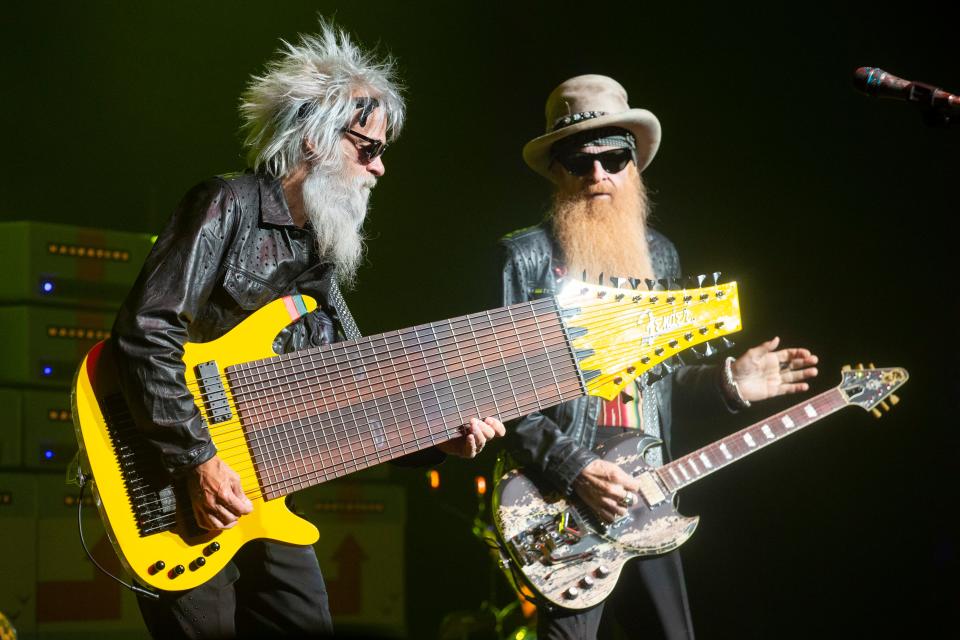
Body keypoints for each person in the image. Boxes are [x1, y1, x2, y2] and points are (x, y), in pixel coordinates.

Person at [111, 22, 505, 638]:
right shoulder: (226, 205)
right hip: (172, 484)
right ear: (317, 140)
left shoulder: (317, 261)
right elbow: (145, 331)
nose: (379, 169)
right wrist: (197, 460)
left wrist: (436, 439)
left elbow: (356, 392)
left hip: (262, 493)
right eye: (367, 148)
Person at [497, 74, 819, 639]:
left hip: (648, 494)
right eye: (579, 161)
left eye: (613, 158)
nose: (598, 174)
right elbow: (501, 396)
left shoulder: (661, 255)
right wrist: (576, 469)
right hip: (561, 503)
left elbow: (660, 377)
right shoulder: (524, 259)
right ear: (556, 171)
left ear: (635, 164)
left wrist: (727, 381)